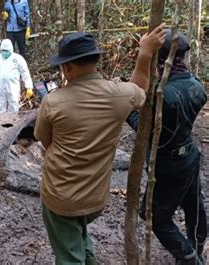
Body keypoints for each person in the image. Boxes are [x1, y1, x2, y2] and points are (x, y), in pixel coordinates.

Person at [34, 24, 166, 264]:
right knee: (80, 238)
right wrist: (145, 54)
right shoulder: (119, 96)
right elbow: (140, 89)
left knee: (68, 256)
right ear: (96, 60)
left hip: (60, 197)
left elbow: (46, 141)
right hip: (95, 198)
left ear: (68, 67)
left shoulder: (53, 102)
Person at [126, 30, 207, 265]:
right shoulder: (196, 86)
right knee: (195, 205)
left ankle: (190, 259)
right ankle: (197, 247)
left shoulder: (164, 96)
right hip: (189, 155)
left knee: (155, 217)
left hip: (167, 164)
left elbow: (143, 128)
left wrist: (129, 110)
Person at [0, 39, 33, 114]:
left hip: (13, 88)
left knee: (13, 107)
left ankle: (12, 124)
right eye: (3, 50)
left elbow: (25, 73)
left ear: (11, 49)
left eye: (6, 50)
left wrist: (29, 87)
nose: (4, 52)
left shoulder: (18, 59)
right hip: (0, 88)